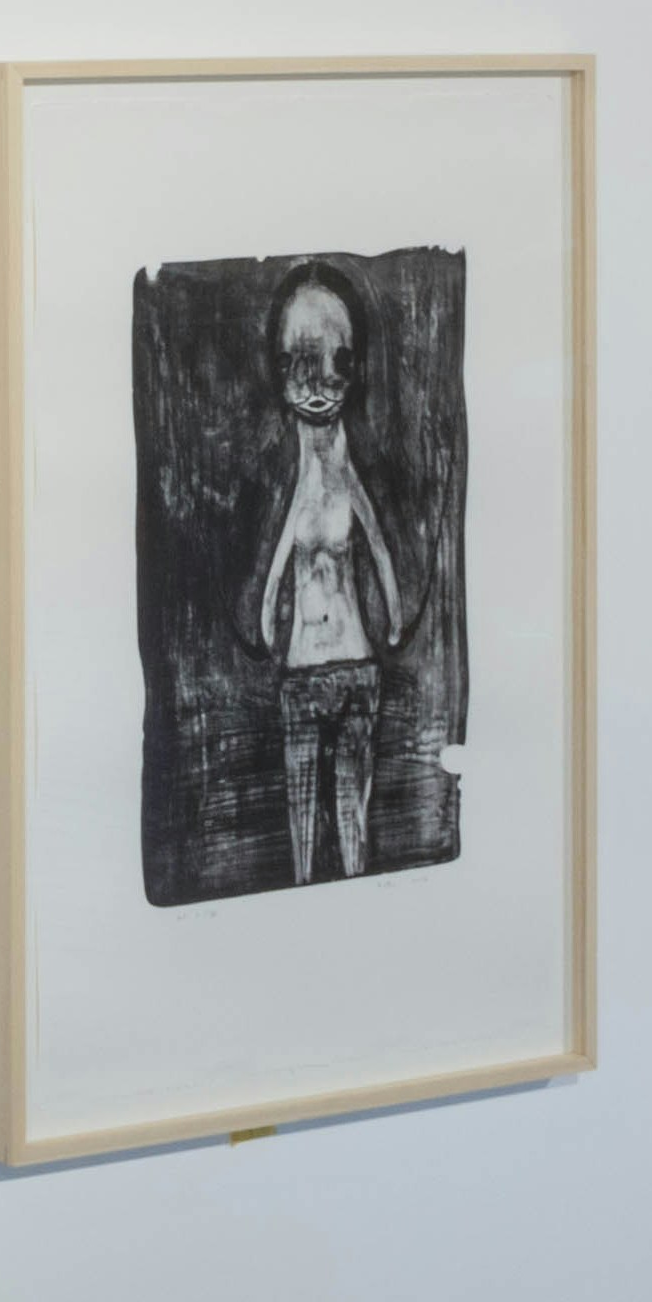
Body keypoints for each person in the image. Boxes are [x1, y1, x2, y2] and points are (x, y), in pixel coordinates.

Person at [241, 268, 412, 876]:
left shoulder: (347, 480)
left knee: (351, 823)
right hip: (300, 671)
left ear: (352, 368)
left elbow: (381, 551)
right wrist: (267, 614)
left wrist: (394, 617)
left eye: (333, 365)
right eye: (300, 366)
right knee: (302, 838)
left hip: (355, 664)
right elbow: (277, 567)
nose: (316, 387)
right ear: (282, 371)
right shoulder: (292, 486)